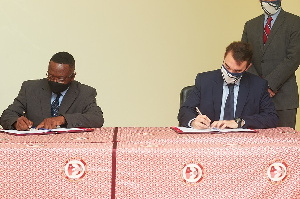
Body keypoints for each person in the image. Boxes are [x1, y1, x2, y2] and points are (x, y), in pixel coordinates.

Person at [178, 41, 279, 129]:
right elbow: (185, 110)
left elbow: (271, 117)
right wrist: (193, 121)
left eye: (237, 70)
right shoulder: (205, 80)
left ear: (247, 67)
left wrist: (240, 122)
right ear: (224, 58)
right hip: (209, 139)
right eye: (227, 66)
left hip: (242, 142)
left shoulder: (258, 85)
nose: (230, 73)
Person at [1, 52, 104, 130]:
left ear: (72, 76)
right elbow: (7, 115)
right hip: (35, 146)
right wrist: (16, 122)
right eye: (50, 76)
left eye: (60, 78)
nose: (54, 81)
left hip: (68, 148)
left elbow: (96, 118)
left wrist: (63, 119)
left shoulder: (85, 92)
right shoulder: (30, 88)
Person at [241, 0, 300, 128]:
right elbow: (244, 58)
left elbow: (293, 58)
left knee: (284, 145)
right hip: (254, 98)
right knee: (254, 145)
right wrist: (260, 86)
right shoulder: (250, 25)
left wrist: (270, 85)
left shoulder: (295, 23)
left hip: (284, 100)